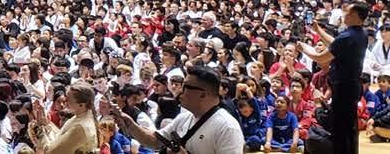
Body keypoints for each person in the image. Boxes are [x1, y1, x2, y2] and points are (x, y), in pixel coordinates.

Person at [109, 67, 243, 154]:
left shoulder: (227, 127)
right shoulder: (185, 117)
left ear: (203, 94)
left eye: (186, 88)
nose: (179, 92)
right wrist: (130, 124)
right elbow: (155, 141)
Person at [300, 1, 370, 154]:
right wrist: (318, 30)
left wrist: (303, 48)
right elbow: (335, 44)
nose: (344, 15)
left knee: (340, 129)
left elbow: (321, 58)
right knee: (350, 127)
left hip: (343, 87)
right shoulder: (361, 34)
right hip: (352, 86)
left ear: (355, 15)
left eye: (348, 12)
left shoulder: (347, 36)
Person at [30, 82, 99, 154]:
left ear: (81, 105)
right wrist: (47, 124)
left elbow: (51, 152)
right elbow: (60, 137)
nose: (65, 101)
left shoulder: (80, 127)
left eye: (68, 99)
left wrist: (41, 129)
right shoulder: (80, 117)